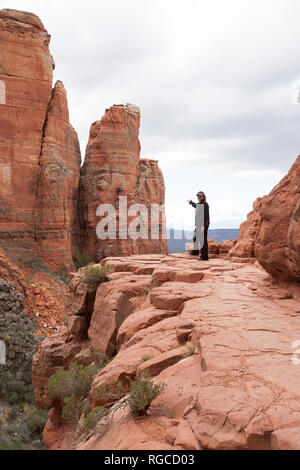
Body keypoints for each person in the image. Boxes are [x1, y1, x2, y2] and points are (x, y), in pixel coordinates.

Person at [187, 191, 210, 260]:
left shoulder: (205, 204)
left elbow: (205, 216)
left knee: (203, 240)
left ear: (203, 196)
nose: (198, 197)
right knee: (195, 237)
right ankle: (195, 251)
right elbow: (196, 206)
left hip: (203, 225)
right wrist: (191, 202)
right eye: (197, 196)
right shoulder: (201, 203)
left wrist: (203, 226)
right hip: (199, 224)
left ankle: (204, 256)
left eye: (199, 196)